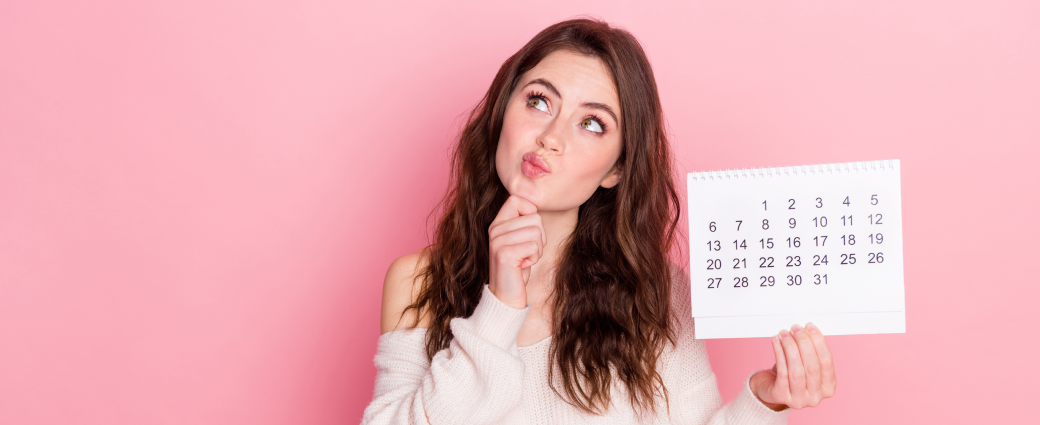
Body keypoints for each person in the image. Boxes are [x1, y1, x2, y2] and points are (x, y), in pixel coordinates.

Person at [361, 17, 836, 425]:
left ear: (616, 169)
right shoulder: (419, 282)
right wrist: (500, 306)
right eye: (539, 101)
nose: (550, 137)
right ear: (502, 111)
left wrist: (767, 399)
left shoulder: (656, 292)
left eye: (592, 124)